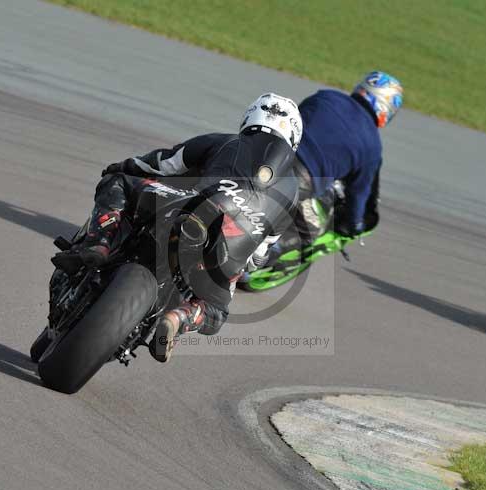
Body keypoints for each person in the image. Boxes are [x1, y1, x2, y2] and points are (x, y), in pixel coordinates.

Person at [79, 93, 303, 363]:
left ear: (249, 118)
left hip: (190, 208)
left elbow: (161, 163)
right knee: (216, 310)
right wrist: (241, 261)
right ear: (294, 137)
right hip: (230, 249)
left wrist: (122, 166)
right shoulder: (292, 194)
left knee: (119, 182)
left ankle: (100, 243)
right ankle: (179, 318)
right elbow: (259, 257)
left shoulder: (225, 141)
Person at [279, 71, 403, 254]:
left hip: (269, 151)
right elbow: (358, 193)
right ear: (386, 107)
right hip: (298, 180)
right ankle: (251, 264)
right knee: (309, 232)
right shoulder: (373, 147)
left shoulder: (326, 96)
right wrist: (354, 223)